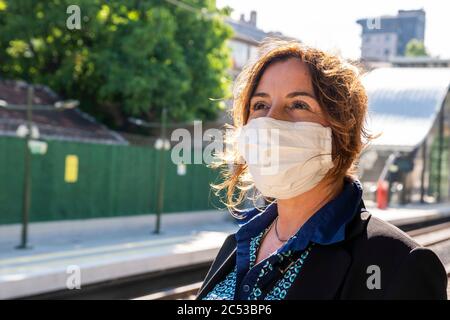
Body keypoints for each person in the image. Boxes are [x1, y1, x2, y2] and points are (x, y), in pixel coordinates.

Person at [195, 39, 447, 300]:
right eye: (259, 105)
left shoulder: (400, 265)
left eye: (299, 105)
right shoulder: (236, 246)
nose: (270, 120)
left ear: (341, 130)